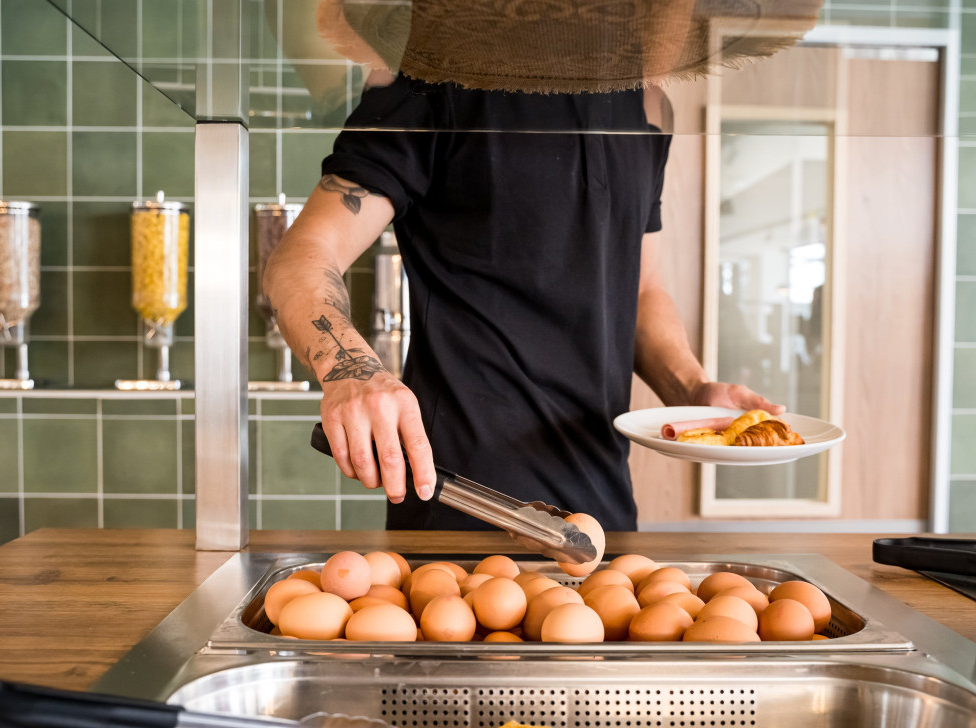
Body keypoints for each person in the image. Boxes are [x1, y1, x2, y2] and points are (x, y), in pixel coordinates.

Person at [262, 69, 781, 532]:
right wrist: (351, 370)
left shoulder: (647, 104)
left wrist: (691, 386)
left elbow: (641, 287)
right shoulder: (432, 75)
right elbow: (304, 255)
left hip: (600, 507)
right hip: (462, 503)